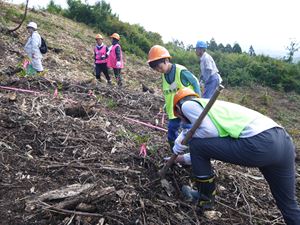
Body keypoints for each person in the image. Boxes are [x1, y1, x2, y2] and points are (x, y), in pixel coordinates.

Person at [171, 88, 300, 225]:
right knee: (288, 205)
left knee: (197, 144)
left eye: (179, 116)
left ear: (178, 108)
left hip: (260, 143)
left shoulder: (187, 105)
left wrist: (185, 139)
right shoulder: (218, 110)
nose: (181, 119)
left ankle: (205, 199)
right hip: (283, 142)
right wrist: (182, 158)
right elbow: (211, 149)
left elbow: (207, 135)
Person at [147, 45, 201, 151]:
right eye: (156, 69)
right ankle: (175, 152)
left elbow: (195, 81)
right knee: (171, 131)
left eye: (159, 67)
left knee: (188, 131)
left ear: (166, 60)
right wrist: (167, 104)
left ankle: (192, 153)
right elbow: (172, 90)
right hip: (173, 110)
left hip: (186, 108)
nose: (159, 70)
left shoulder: (180, 71)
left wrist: (198, 100)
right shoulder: (164, 75)